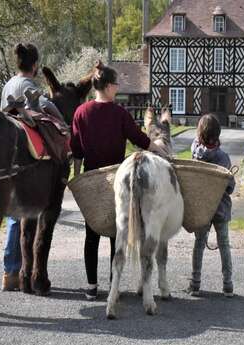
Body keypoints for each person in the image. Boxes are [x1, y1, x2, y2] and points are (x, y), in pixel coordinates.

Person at [71, 61, 163, 301]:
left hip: (91, 180)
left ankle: (91, 287)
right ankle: (114, 284)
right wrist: (160, 151)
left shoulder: (81, 113)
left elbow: (76, 149)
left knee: (91, 235)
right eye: (117, 84)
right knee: (116, 233)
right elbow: (139, 139)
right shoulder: (119, 113)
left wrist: (78, 177)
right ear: (109, 86)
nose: (118, 88)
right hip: (118, 181)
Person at [0, 43, 62, 291]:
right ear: (35, 65)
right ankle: (16, 270)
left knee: (11, 217)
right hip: (24, 157)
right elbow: (48, 110)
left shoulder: (8, 85)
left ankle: (9, 272)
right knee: (19, 218)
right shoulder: (30, 86)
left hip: (4, 154)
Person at [186, 114, 236, 297]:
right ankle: (228, 284)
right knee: (224, 244)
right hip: (221, 207)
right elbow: (230, 187)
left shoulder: (195, 155)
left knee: (199, 243)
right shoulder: (223, 158)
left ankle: (195, 283)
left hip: (202, 209)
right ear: (218, 133)